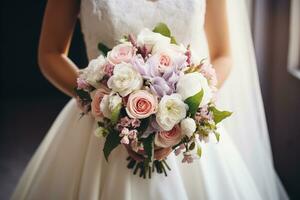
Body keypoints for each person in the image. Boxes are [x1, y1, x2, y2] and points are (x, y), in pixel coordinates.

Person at [11, 0, 288, 199]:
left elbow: (223, 54)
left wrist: (191, 108)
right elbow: (50, 53)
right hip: (101, 123)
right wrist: (103, 103)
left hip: (181, 120)